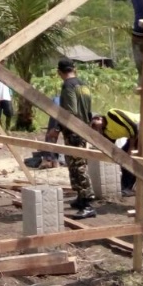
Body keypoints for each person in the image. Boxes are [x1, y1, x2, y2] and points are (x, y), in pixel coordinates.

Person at [56, 57, 96, 218]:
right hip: (84, 127)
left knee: (78, 166)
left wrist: (59, 128)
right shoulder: (84, 85)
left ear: (59, 72)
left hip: (73, 130)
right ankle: (81, 197)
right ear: (74, 69)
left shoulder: (68, 85)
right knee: (76, 163)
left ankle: (87, 202)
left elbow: (70, 111)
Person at [89, 109, 139, 196]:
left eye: (94, 125)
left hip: (141, 127)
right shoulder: (106, 132)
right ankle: (126, 186)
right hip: (133, 136)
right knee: (123, 158)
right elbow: (109, 146)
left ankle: (130, 187)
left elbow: (133, 128)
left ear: (98, 118)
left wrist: (131, 148)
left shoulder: (112, 114)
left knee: (130, 159)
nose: (94, 129)